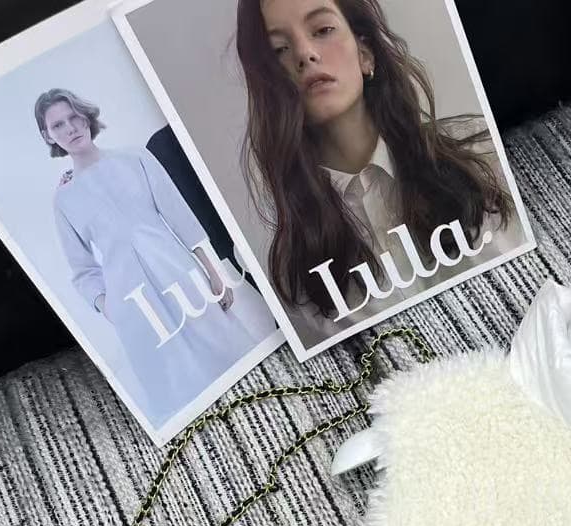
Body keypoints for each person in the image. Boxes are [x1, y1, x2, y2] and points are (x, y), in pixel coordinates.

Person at [235, 0, 527, 344]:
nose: (305, 54)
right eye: (279, 49)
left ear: (365, 55)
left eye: (323, 30)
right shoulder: (297, 271)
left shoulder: (480, 154)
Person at [39, 88, 258, 425]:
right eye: (58, 125)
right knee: (181, 394)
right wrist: (110, 308)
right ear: (48, 136)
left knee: (231, 356)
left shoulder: (135, 158)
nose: (70, 128)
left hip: (180, 277)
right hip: (134, 305)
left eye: (73, 117)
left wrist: (213, 272)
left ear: (86, 116)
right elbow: (82, 270)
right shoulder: (64, 200)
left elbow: (180, 216)